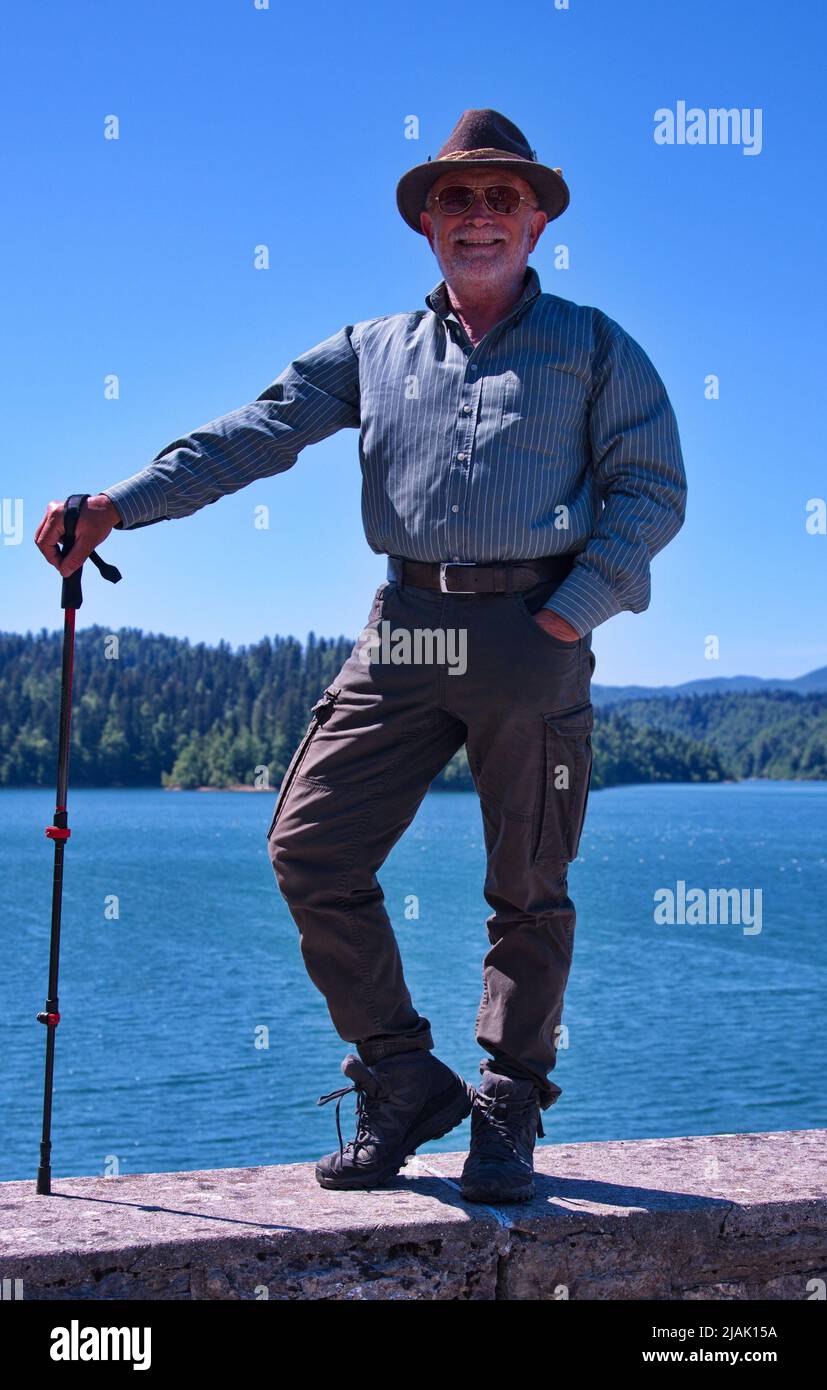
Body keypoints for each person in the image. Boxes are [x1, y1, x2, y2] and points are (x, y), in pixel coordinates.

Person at [35, 109, 687, 1204]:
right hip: (404, 627)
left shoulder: (593, 345)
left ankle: (506, 1104)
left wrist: (570, 614)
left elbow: (651, 491)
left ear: (534, 221)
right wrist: (118, 505)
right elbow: (255, 434)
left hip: (534, 627)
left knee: (528, 888)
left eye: (499, 197)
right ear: (426, 222)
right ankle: (399, 1074)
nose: (477, 215)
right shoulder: (372, 350)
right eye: (455, 198)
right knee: (310, 848)